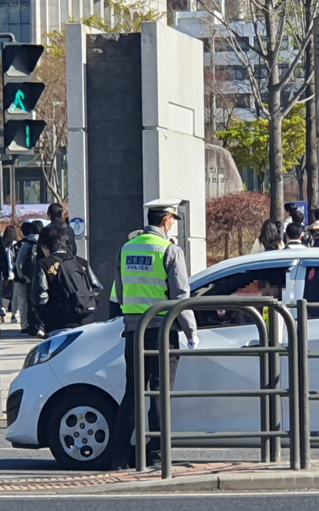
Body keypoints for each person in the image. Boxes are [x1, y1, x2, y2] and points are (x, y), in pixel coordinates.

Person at [111, 200, 198, 470]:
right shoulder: (170, 250)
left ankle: (119, 456)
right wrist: (191, 332)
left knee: (132, 393)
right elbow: (180, 297)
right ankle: (158, 455)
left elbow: (119, 293)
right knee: (160, 394)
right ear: (167, 220)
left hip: (133, 331)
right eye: (173, 218)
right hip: (161, 332)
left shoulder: (126, 249)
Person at [32, 226, 102, 334]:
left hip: (57, 322)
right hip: (85, 320)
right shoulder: (81, 262)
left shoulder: (44, 264)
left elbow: (41, 296)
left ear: (45, 247)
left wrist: (43, 316)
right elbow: (97, 287)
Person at [16, 220, 44, 336]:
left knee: (29, 301)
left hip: (29, 278)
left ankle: (31, 326)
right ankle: (42, 325)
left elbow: (19, 262)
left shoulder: (26, 244)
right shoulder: (45, 243)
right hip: (42, 277)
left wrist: (22, 276)